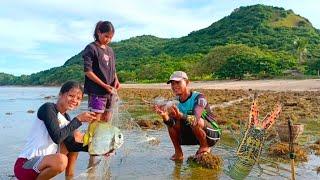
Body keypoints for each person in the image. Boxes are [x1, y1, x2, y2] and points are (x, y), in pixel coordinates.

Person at [13, 81, 96, 180]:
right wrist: (78, 120)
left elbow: (71, 145)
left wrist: (99, 149)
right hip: (25, 165)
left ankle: (69, 177)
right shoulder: (48, 108)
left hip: (44, 165)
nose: (75, 100)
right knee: (61, 160)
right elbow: (57, 137)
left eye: (78, 98)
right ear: (60, 94)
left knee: (76, 137)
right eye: (71, 96)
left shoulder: (67, 118)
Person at [154, 71, 221, 161]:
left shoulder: (199, 98)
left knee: (194, 121)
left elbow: (195, 120)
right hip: (194, 134)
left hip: (212, 134)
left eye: (178, 82)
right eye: (172, 84)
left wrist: (181, 115)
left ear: (187, 82)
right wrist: (165, 116)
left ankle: (204, 147)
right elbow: (171, 123)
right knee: (171, 125)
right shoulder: (175, 102)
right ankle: (178, 153)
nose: (174, 86)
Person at [82, 20, 120, 123]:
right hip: (96, 92)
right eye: (106, 36)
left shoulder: (110, 51)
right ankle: (91, 139)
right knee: (95, 121)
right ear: (99, 32)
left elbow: (112, 68)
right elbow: (88, 71)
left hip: (110, 92)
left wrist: (116, 79)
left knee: (106, 120)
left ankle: (102, 139)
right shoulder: (91, 48)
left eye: (111, 37)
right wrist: (104, 85)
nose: (108, 40)